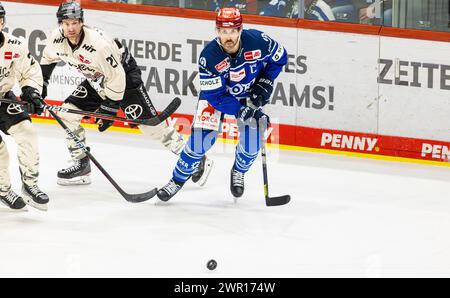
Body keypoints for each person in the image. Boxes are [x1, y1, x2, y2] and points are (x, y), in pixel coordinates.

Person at [37, 1, 212, 186]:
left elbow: (117, 77)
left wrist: (109, 109)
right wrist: (41, 85)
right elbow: (47, 59)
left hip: (125, 77)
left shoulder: (98, 44)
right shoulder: (56, 38)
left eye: (74, 23)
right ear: (60, 24)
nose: (70, 28)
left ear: (81, 22)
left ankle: (196, 158)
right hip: (97, 79)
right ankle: (81, 164)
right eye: (66, 23)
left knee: (149, 126)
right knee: (65, 114)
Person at [157, 7, 287, 201]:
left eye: (233, 31)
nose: (229, 36)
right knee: (200, 141)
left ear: (240, 29)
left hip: (249, 93)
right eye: (224, 31)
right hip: (218, 97)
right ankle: (176, 180)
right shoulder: (208, 57)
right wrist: (243, 111)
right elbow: (215, 97)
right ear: (217, 31)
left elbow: (280, 57)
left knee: (252, 145)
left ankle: (238, 170)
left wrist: (266, 81)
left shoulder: (259, 40)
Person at [0, 2, 49, 211]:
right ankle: (2, 190)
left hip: (3, 97)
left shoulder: (14, 46)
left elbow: (30, 71)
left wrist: (31, 91)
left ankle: (29, 184)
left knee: (27, 132)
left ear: (2, 22)